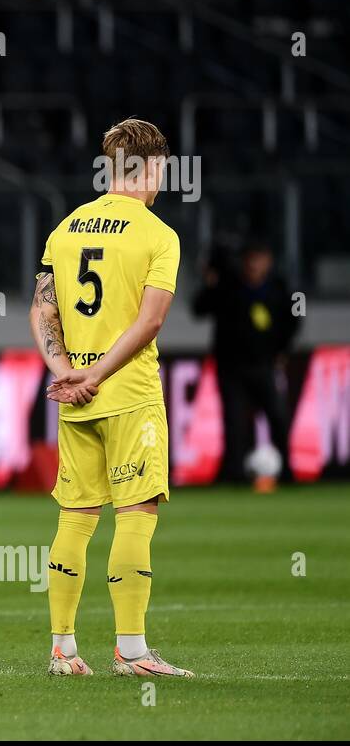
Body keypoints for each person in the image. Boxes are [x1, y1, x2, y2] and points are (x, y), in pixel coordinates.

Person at [31, 117, 193, 679]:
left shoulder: (67, 226)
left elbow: (42, 308)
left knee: (75, 518)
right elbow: (150, 322)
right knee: (135, 514)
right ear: (152, 167)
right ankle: (131, 652)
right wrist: (97, 373)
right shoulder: (158, 234)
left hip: (74, 397)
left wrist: (67, 371)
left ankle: (63, 651)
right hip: (127, 394)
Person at [191, 241, 299, 485]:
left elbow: (294, 320)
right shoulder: (228, 287)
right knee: (234, 421)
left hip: (265, 364)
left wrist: (282, 350)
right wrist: (210, 281)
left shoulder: (279, 289)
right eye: (249, 258)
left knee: (277, 416)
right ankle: (233, 473)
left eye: (259, 258)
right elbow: (199, 309)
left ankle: (288, 471)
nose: (253, 264)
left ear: (268, 261)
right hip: (232, 367)